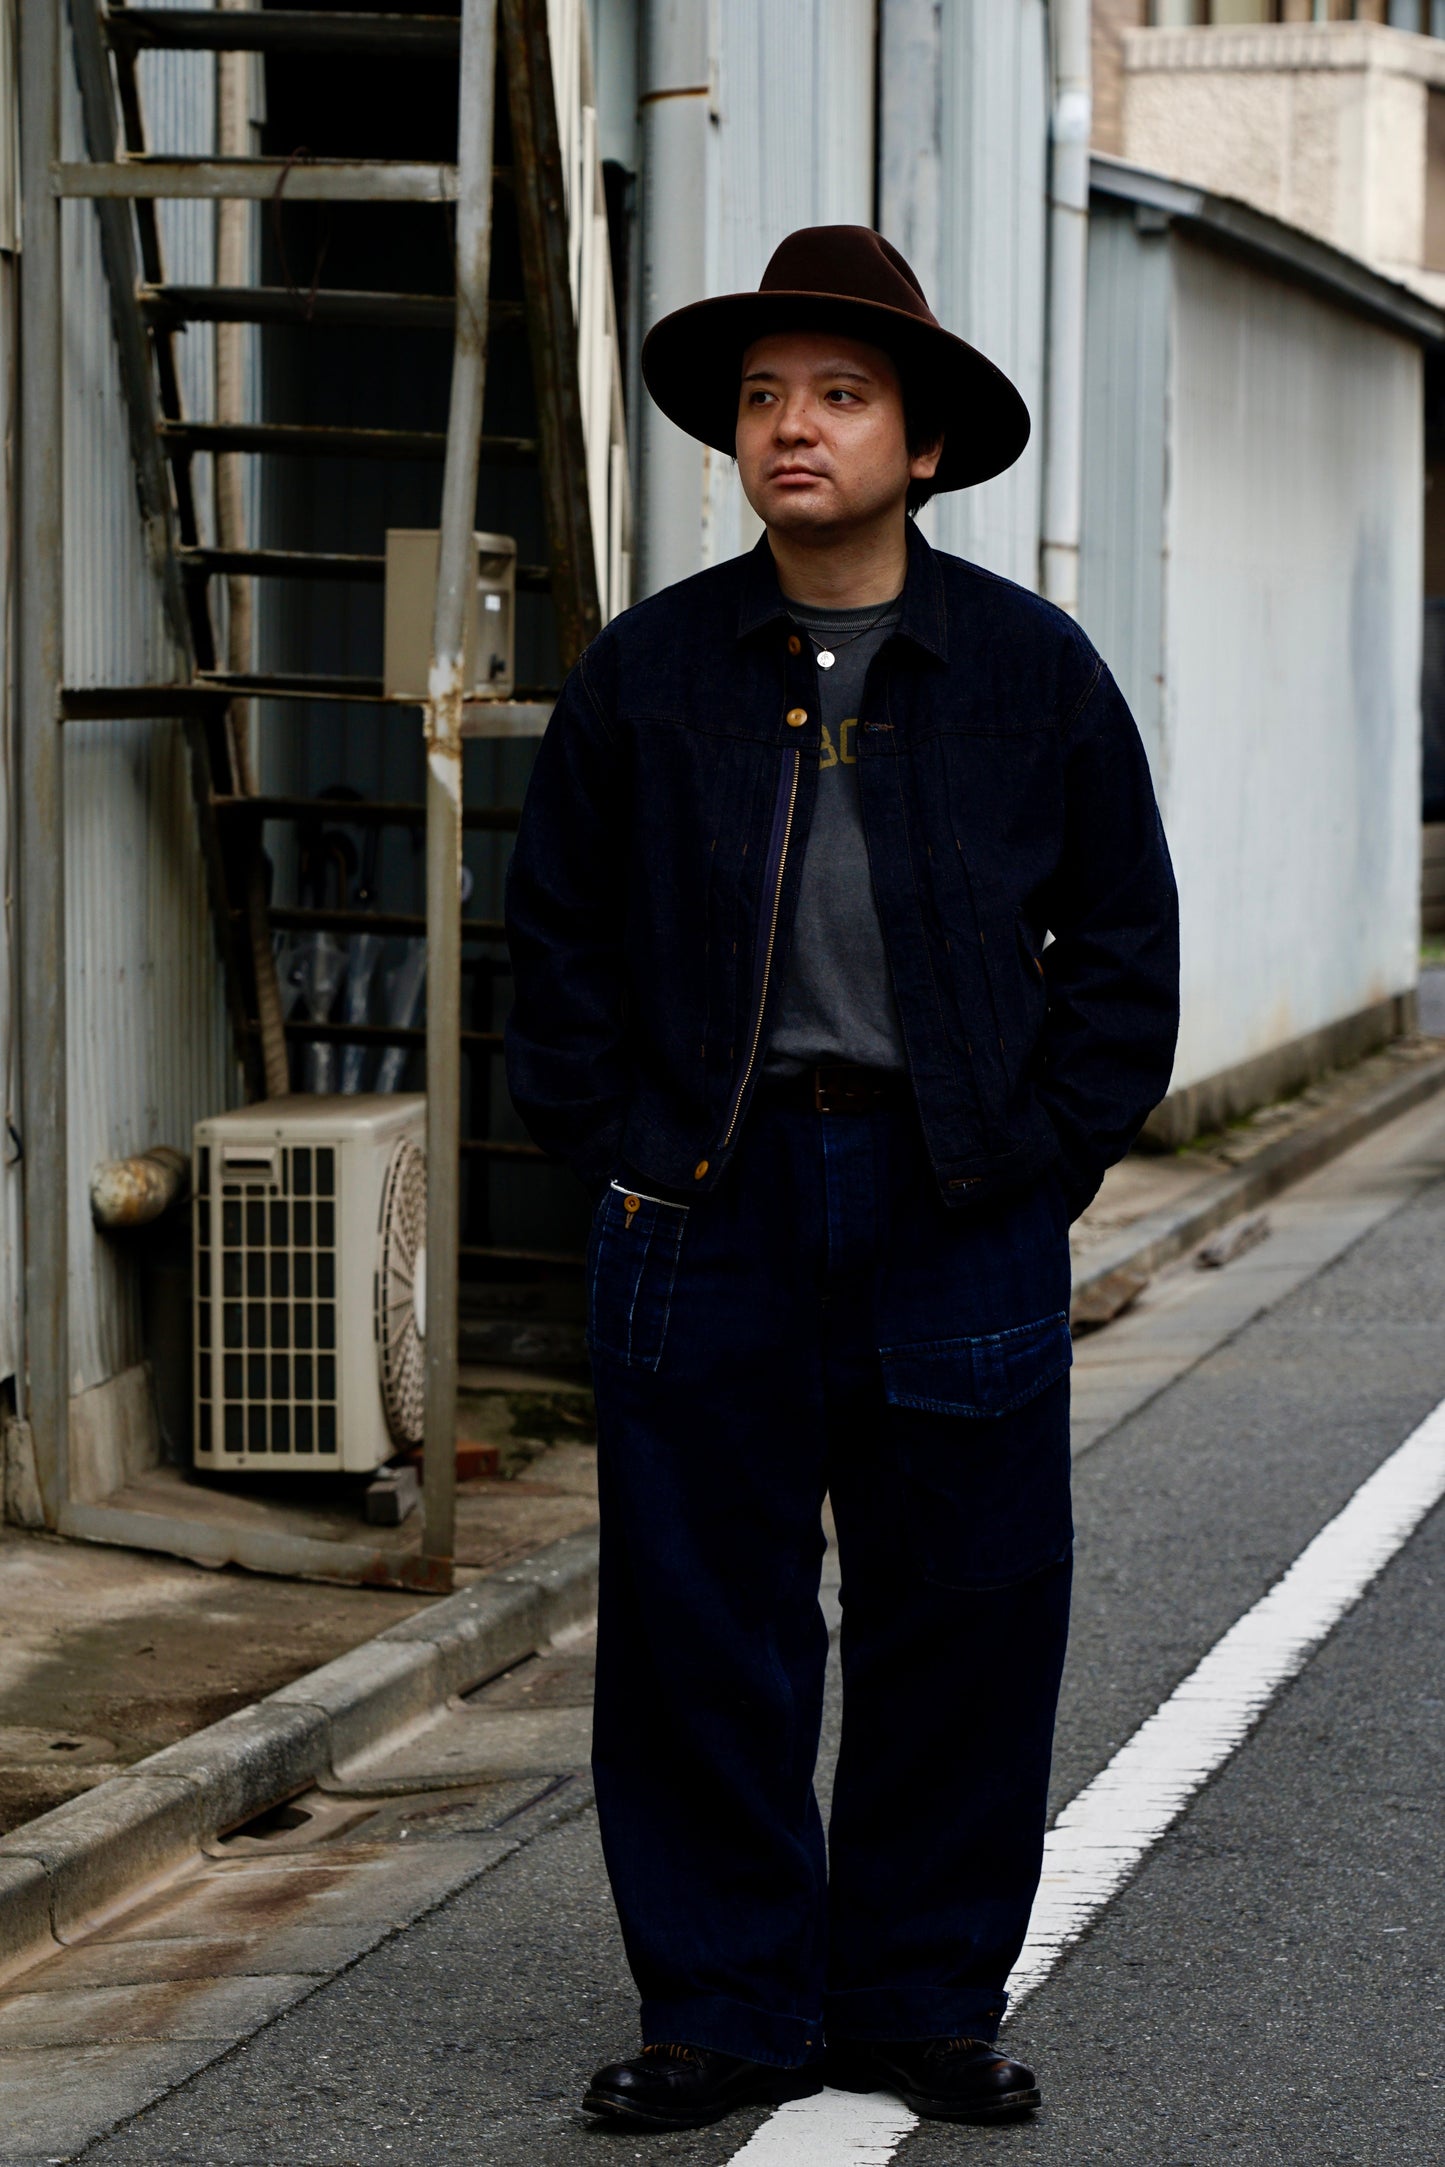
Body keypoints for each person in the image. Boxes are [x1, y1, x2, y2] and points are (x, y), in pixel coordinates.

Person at [504, 225, 1179, 2132]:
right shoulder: (648, 675)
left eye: (839, 394)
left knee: (962, 1619)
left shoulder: (1031, 676)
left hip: (947, 1207)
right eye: (761, 397)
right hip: (699, 1215)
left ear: (925, 447)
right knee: (699, 1629)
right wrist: (616, 1153)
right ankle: (722, 2008)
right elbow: (549, 946)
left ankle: (913, 2001)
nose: (790, 428)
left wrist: (1033, 1166)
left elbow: (1122, 949)